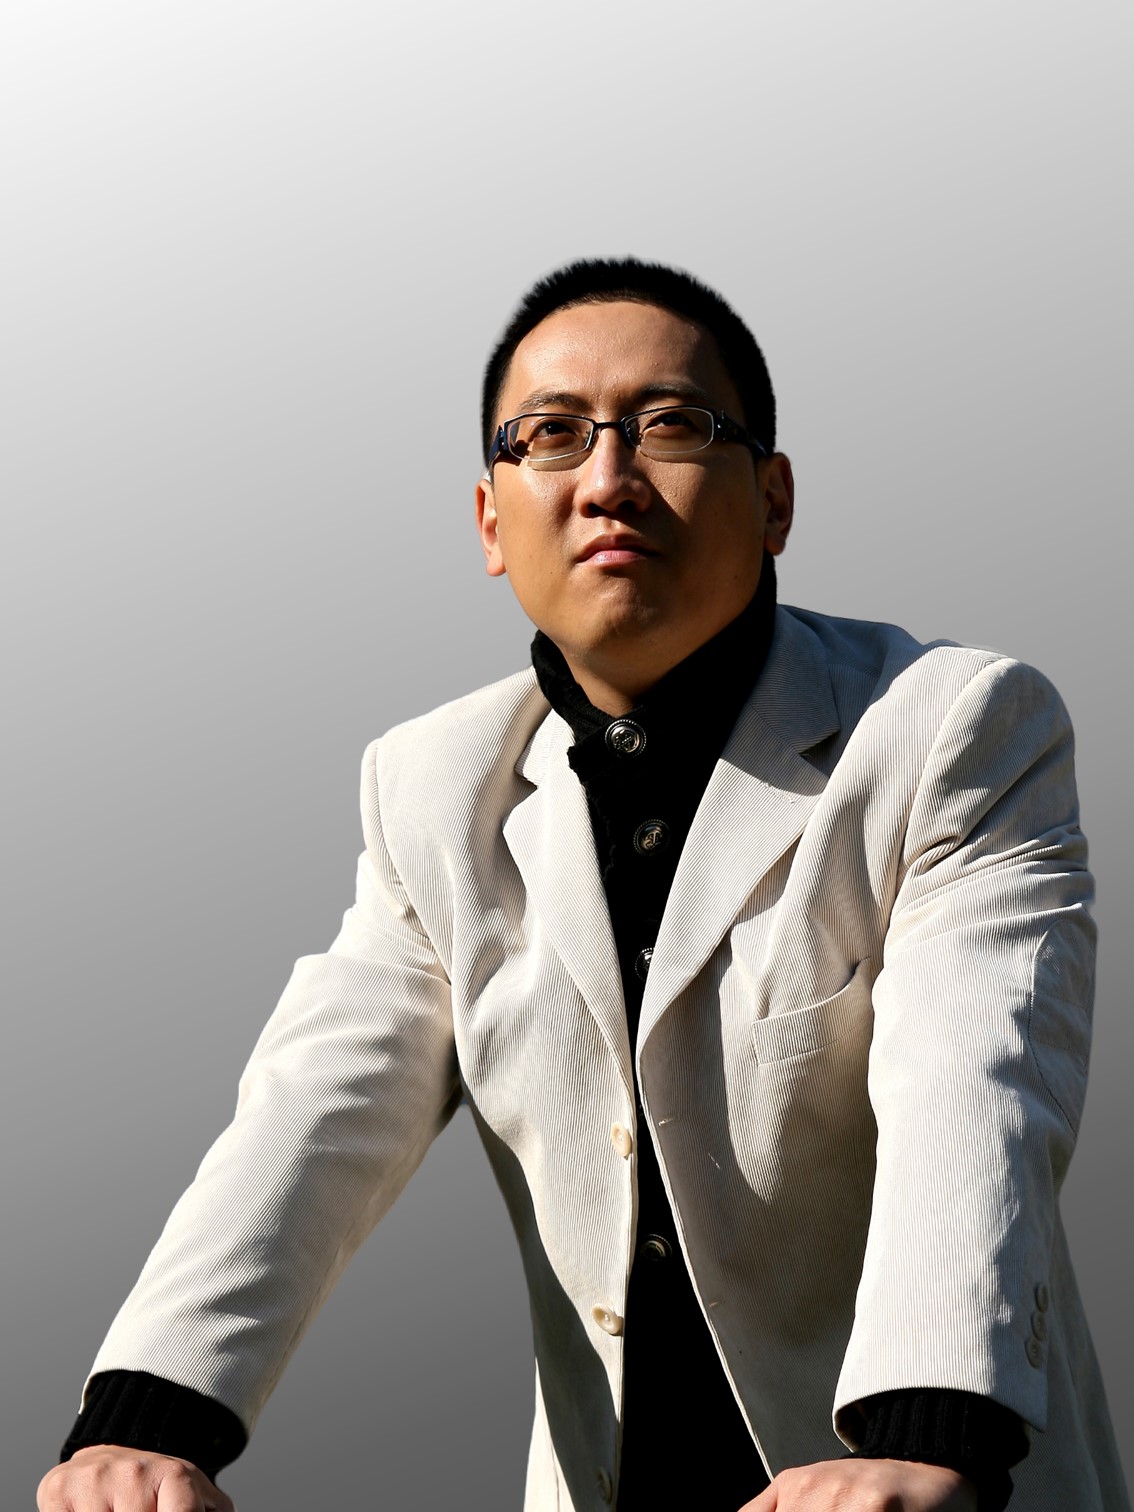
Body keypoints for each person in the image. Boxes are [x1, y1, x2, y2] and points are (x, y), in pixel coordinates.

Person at [38, 259, 1129, 1512]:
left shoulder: (950, 728)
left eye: (671, 424)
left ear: (774, 499)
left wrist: (929, 1433)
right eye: (551, 434)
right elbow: (318, 1113)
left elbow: (975, 1078)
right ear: (490, 523)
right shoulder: (434, 785)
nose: (609, 477)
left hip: (920, 1484)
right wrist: (145, 1422)